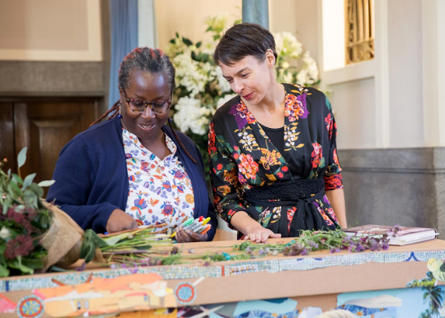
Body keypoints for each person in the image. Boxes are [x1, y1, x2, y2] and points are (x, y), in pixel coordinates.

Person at [47, 47, 217, 242]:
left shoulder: (186, 147)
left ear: (170, 98)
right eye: (137, 103)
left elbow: (208, 213)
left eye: (159, 104)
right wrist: (104, 215)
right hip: (118, 268)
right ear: (121, 94)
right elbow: (53, 213)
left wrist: (203, 233)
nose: (148, 114)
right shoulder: (87, 147)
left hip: (187, 267)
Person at [209, 23, 346, 243]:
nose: (237, 87)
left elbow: (332, 177)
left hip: (324, 230)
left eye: (244, 74)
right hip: (263, 238)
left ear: (269, 59)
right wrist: (254, 229)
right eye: (230, 79)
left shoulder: (316, 104)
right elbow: (225, 199)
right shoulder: (225, 121)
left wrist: (344, 236)